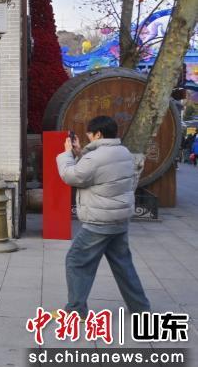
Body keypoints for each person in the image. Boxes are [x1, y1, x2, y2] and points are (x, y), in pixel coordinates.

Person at [56, 115, 150, 318]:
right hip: (119, 220)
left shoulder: (96, 158)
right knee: (123, 265)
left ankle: (76, 311)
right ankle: (141, 308)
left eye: (90, 134)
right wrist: (81, 153)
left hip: (99, 222)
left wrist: (66, 155)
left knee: (76, 261)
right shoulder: (124, 152)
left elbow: (72, 176)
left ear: (98, 134)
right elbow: (98, 173)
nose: (89, 138)